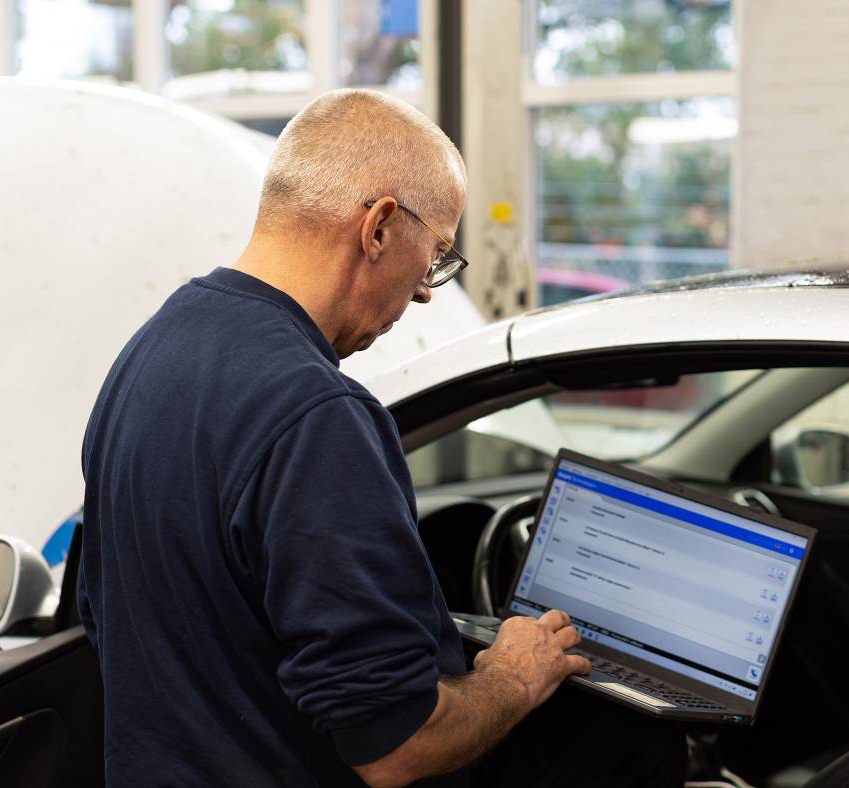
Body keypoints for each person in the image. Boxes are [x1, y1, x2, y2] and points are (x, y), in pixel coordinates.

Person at [78, 89, 684, 786]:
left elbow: (109, 618)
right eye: (437, 256)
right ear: (380, 228)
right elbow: (396, 748)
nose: (427, 291)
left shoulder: (151, 351)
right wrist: (512, 677)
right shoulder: (317, 417)